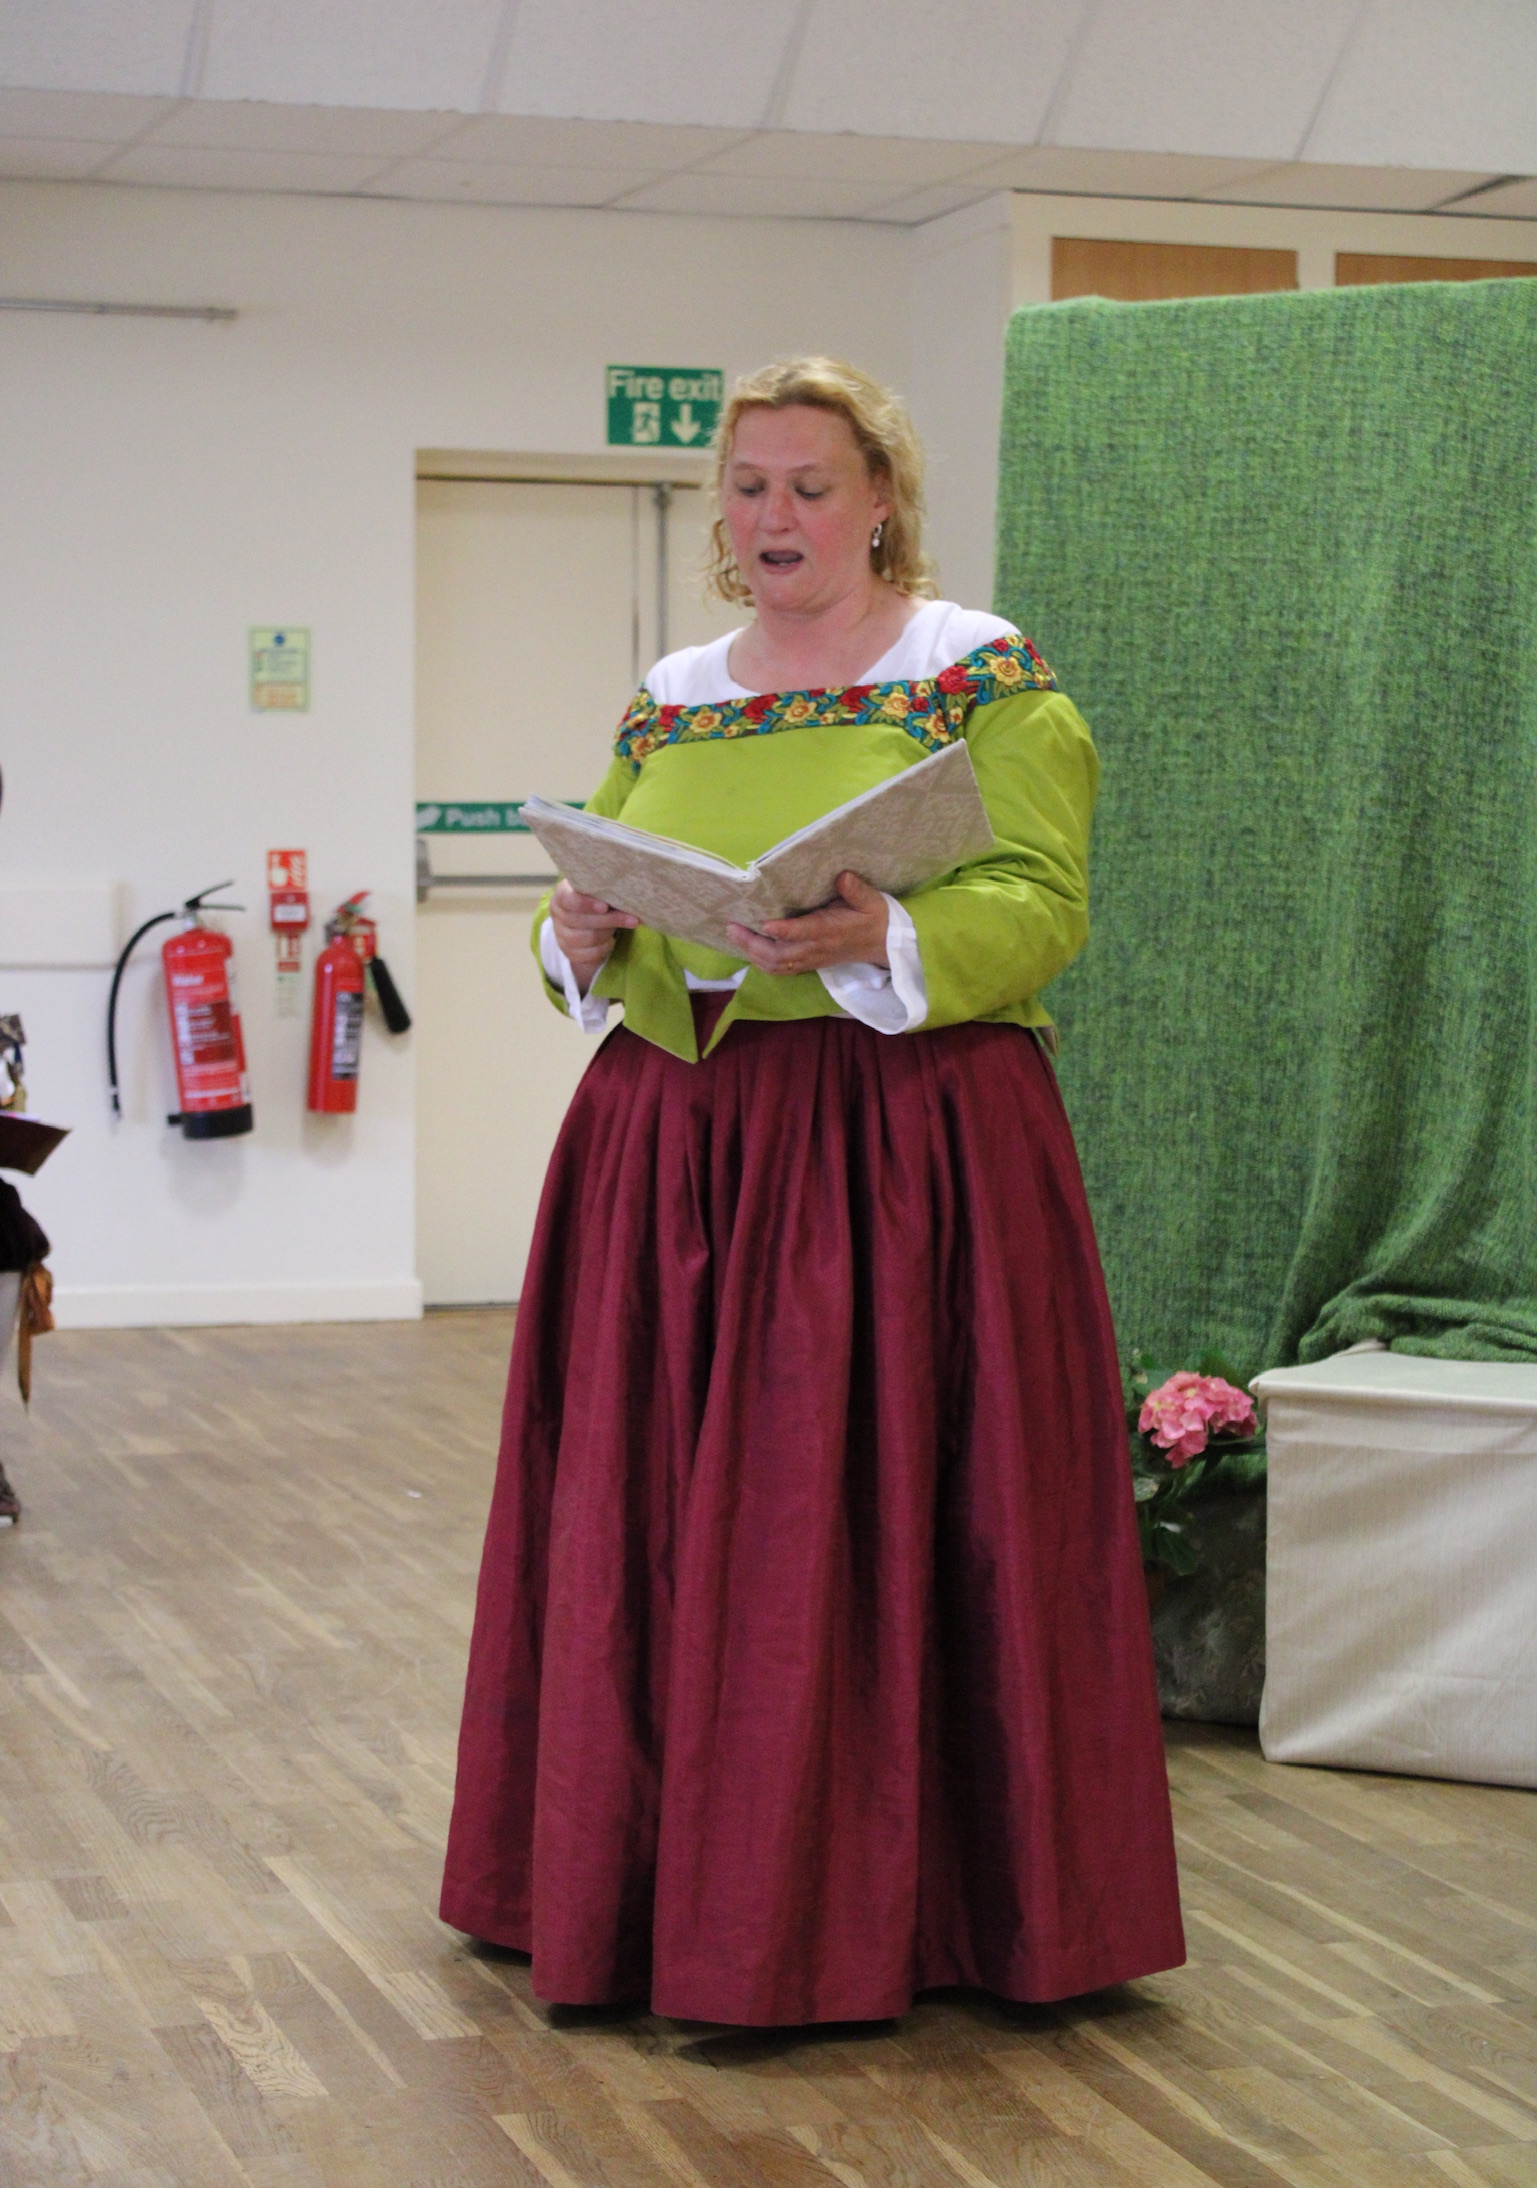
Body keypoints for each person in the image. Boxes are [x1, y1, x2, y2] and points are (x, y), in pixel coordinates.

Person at [440, 356, 1184, 2025]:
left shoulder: (972, 671)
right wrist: (575, 933)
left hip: (904, 1143)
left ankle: (921, 1908)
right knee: (659, 1505)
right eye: (750, 484)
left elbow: (1040, 898)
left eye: (809, 485)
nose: (773, 515)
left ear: (880, 500)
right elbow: (610, 874)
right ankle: (640, 1884)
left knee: (877, 1501)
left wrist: (880, 935)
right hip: (677, 1143)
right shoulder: (672, 688)